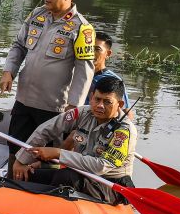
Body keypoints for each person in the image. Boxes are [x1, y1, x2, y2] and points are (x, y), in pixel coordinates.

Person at [0, 0, 96, 149]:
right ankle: (11, 177)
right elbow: (19, 45)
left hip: (54, 107)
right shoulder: (37, 15)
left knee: (46, 154)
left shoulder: (82, 27)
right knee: (14, 147)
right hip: (24, 99)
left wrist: (74, 106)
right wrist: (8, 71)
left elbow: (84, 71)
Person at [11, 74, 136, 204]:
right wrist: (22, 160)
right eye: (97, 99)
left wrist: (58, 153)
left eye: (107, 102)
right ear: (91, 97)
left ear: (120, 104)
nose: (100, 106)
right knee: (30, 174)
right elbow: (47, 129)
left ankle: (49, 210)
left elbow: (101, 166)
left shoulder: (124, 131)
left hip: (110, 183)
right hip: (82, 173)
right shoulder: (83, 113)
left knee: (66, 177)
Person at [86, 31, 130, 108]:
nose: (91, 52)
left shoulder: (114, 80)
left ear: (108, 54)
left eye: (97, 49)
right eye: (88, 47)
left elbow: (126, 112)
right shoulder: (74, 73)